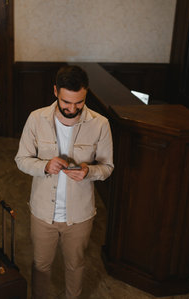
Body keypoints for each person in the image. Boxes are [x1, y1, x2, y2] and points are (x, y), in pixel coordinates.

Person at [15, 65, 114, 299]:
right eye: (66, 102)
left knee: (75, 264)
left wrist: (88, 171)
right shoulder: (36, 118)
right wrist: (45, 166)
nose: (72, 109)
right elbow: (21, 160)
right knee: (41, 265)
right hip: (42, 212)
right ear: (55, 92)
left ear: (86, 93)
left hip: (79, 214)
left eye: (79, 102)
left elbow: (107, 167)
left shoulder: (101, 124)